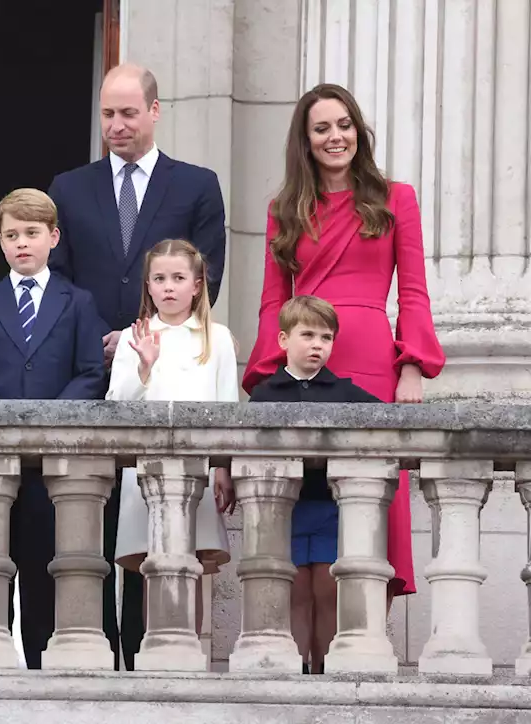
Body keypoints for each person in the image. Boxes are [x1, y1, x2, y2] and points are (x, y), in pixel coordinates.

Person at [47, 62, 227, 669]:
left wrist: (144, 336)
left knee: (163, 521)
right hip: (86, 372)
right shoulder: (68, 189)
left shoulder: (196, 185)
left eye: (128, 112)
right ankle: (96, 654)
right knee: (90, 518)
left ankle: (156, 652)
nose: (116, 125)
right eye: (107, 114)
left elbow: (210, 277)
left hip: (169, 368)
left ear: (155, 111)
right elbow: (60, 280)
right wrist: (101, 339)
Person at [242, 83, 445, 603]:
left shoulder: (397, 197)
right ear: (305, 141)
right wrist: (270, 377)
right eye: (322, 128)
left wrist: (413, 366)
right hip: (304, 367)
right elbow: (272, 302)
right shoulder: (283, 208)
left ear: (358, 129)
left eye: (344, 124)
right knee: (307, 503)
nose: (336, 137)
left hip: (373, 362)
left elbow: (414, 290)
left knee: (371, 499)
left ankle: (364, 633)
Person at [0, 188, 107, 668]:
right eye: (12, 234)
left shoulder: (77, 301)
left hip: (53, 461)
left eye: (32, 233)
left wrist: (50, 419)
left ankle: (40, 668)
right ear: (0, 243)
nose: (22, 243)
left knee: (44, 565)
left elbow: (90, 372)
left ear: (53, 238)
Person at [106, 239, 235, 638]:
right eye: (159, 278)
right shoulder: (134, 336)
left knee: (190, 564)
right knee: (152, 566)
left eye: (178, 278)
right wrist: (143, 368)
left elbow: (227, 407)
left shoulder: (217, 337)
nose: (168, 287)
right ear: (148, 285)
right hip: (144, 470)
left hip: (197, 468)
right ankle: (155, 652)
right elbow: (116, 406)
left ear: (197, 285)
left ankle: (188, 653)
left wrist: (223, 468)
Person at [248, 295, 380, 674]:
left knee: (327, 590)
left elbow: (388, 425)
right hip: (282, 511)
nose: (318, 344)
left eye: (326, 337)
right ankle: (297, 671)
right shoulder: (264, 395)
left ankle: (326, 670)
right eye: (308, 335)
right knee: (294, 593)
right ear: (284, 340)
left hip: (328, 507)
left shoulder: (345, 393)